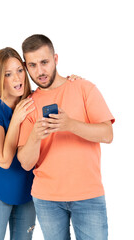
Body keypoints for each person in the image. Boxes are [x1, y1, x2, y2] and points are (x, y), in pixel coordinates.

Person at [17, 34, 115, 240]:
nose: (40, 71)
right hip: (46, 199)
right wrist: (35, 136)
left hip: (88, 195)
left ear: (56, 59)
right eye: (33, 65)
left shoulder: (83, 88)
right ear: (26, 66)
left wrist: (70, 124)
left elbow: (107, 134)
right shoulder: (28, 105)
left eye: (44, 62)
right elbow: (26, 163)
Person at [0, 47, 36, 240]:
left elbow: (57, 94)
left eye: (20, 70)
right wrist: (16, 120)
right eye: (8, 74)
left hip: (27, 191)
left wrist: (71, 81)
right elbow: (4, 160)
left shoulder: (32, 101)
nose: (17, 78)